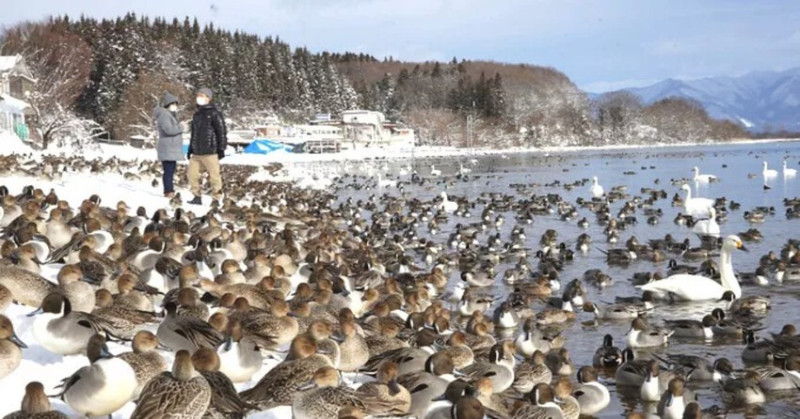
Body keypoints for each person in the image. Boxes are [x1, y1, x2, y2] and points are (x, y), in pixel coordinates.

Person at [187, 87, 227, 205]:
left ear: (208, 98)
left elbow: (221, 131)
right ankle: (196, 196)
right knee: (192, 174)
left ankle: (216, 198)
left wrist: (221, 148)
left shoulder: (215, 113)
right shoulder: (196, 115)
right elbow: (194, 133)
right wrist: (190, 149)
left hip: (210, 151)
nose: (199, 97)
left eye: (202, 95)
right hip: (196, 152)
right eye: (198, 95)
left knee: (214, 176)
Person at [154, 92, 184, 198]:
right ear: (168, 104)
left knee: (170, 170)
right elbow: (169, 130)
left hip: (171, 148)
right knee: (169, 170)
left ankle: (169, 189)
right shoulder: (164, 115)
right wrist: (181, 127)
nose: (175, 106)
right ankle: (169, 190)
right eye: (173, 104)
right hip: (168, 148)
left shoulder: (170, 115)